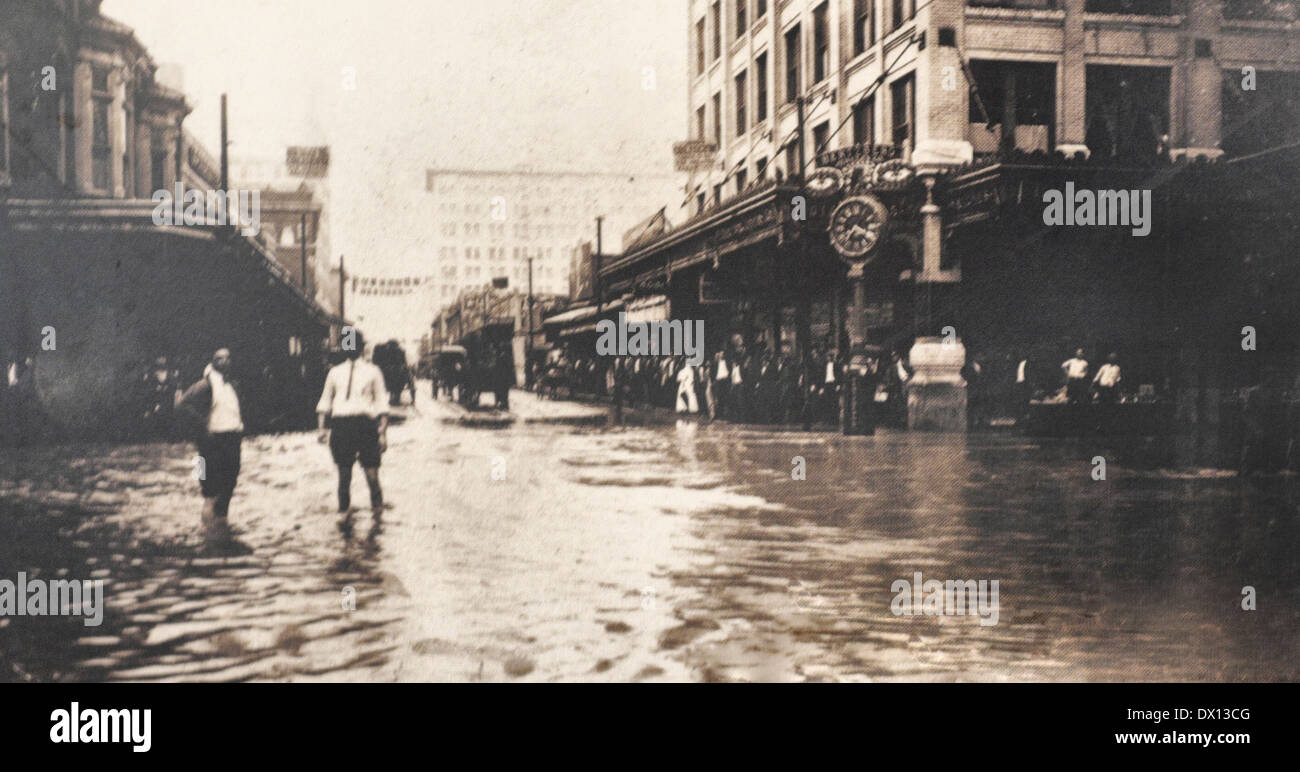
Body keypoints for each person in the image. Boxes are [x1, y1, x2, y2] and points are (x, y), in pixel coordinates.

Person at [316, 335, 388, 515]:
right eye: (347, 344)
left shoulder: (373, 371)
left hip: (366, 426)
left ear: (361, 347)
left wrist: (383, 433)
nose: (351, 348)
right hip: (342, 426)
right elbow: (325, 401)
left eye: (354, 344)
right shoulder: (335, 372)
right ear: (343, 347)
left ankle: (378, 518)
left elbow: (381, 404)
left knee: (372, 476)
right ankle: (344, 519)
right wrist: (322, 429)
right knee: (344, 476)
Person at [176, 348, 244, 535]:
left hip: (232, 439)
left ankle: (222, 526)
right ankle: (208, 533)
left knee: (229, 486)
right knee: (210, 491)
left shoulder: (231, 386)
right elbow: (183, 405)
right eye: (220, 359)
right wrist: (202, 427)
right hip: (211, 443)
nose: (225, 361)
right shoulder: (205, 385)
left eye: (228, 358)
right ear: (213, 362)